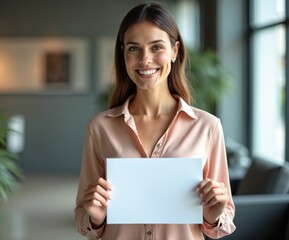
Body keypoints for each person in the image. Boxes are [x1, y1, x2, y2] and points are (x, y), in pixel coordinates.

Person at [75, 2, 236, 239]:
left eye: (156, 47)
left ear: (174, 51)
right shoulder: (100, 128)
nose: (145, 59)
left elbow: (224, 220)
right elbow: (83, 217)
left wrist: (212, 216)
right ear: (123, 54)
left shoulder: (208, 127)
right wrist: (96, 218)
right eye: (134, 49)